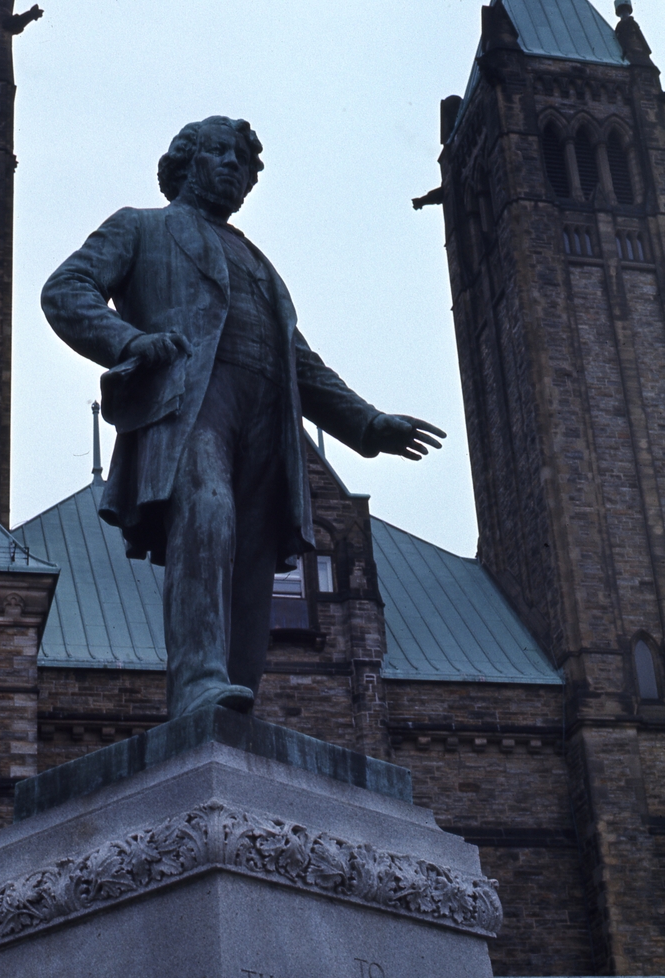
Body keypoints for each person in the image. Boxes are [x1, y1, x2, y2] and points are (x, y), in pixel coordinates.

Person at [41, 116, 445, 720]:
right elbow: (65, 290)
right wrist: (127, 341)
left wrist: (366, 424)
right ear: (187, 161)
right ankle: (198, 683)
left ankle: (232, 699)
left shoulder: (261, 267)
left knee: (254, 555)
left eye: (245, 163)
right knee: (207, 513)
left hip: (266, 422)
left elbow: (301, 365)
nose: (235, 168)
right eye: (221, 153)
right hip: (192, 405)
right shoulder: (142, 227)